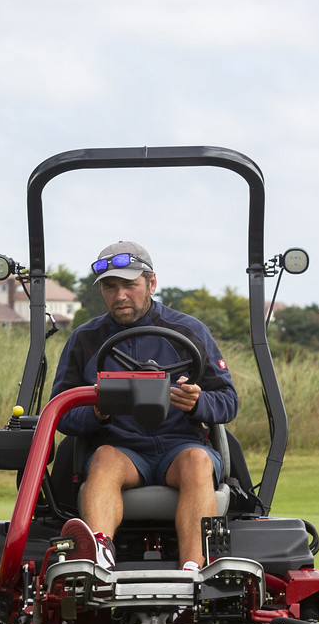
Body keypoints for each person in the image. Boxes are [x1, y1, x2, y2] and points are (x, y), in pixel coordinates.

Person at [48, 240, 237, 571]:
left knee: (196, 460)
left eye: (129, 285)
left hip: (180, 447)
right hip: (122, 451)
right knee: (104, 458)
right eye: (110, 287)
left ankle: (193, 568)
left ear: (150, 283)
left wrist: (197, 402)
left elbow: (228, 401)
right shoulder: (85, 339)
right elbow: (61, 411)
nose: (120, 295)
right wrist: (95, 411)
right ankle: (99, 558)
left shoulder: (189, 331)